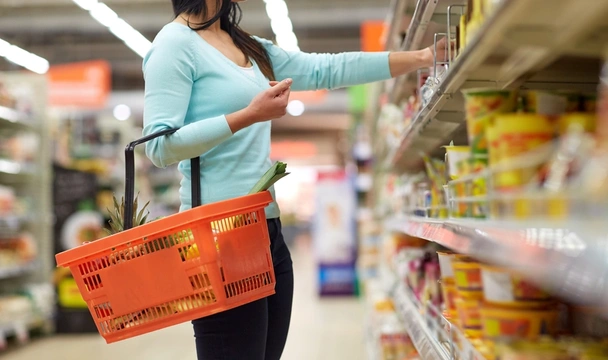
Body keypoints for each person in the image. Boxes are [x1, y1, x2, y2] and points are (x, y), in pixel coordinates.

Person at [143, 0, 450, 358]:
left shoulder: (245, 45)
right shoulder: (174, 44)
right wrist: (249, 115)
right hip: (217, 238)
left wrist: (422, 57)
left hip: (267, 231)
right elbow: (159, 147)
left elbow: (326, 69)